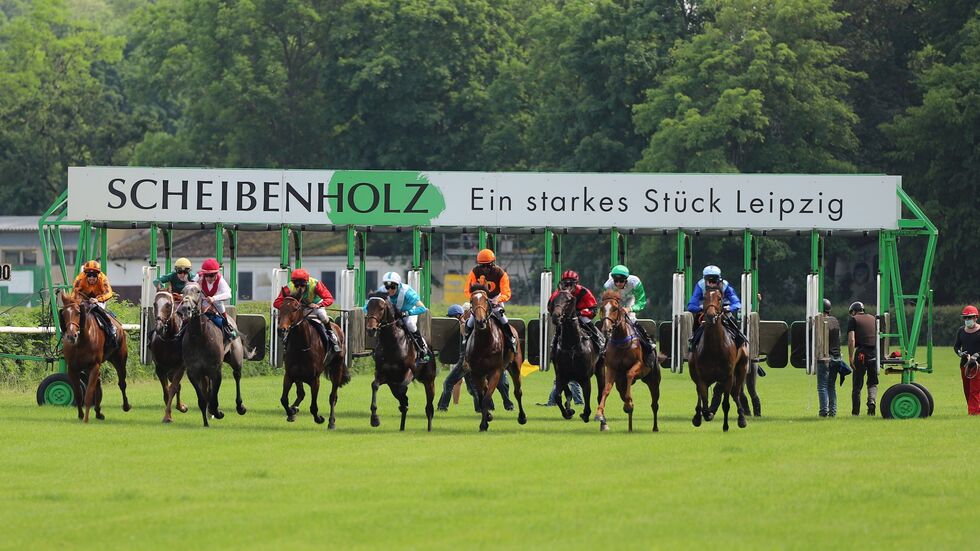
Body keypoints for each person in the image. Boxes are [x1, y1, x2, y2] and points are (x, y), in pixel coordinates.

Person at [437, 304, 514, 412]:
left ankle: (442, 408)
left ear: (459, 316)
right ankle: (483, 407)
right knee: (473, 388)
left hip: (466, 361)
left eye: (451, 317)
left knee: (449, 383)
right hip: (470, 361)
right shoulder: (467, 325)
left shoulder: (466, 326)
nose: (449, 320)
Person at [273, 268, 340, 352]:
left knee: (323, 316)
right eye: (297, 285)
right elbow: (276, 302)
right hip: (300, 308)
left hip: (315, 306)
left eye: (302, 285)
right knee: (293, 320)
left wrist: (319, 305)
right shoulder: (289, 287)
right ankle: (286, 342)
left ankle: (331, 335)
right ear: (293, 283)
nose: (300, 288)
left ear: (307, 282)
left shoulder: (315, 284)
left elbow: (329, 298)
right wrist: (289, 308)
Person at [369, 271, 430, 362]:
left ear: (398, 285)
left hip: (407, 313)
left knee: (410, 324)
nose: (389, 290)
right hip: (392, 316)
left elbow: (422, 308)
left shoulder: (408, 292)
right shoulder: (381, 291)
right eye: (387, 287)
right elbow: (371, 305)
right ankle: (378, 350)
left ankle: (422, 349)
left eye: (393, 287)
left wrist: (407, 313)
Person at [464, 248, 517, 353]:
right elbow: (468, 289)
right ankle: (465, 340)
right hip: (480, 301)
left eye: (487, 265)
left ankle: (511, 339)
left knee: (502, 318)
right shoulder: (474, 272)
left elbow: (506, 293)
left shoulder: (501, 274)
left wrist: (498, 300)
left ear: (493, 263)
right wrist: (475, 298)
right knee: (470, 321)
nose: (484, 269)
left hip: (495, 299)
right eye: (482, 266)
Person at [602, 264, 654, 358]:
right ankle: (603, 346)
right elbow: (607, 302)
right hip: (616, 301)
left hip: (630, 299)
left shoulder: (635, 282)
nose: (618, 284)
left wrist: (630, 309)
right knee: (608, 320)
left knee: (632, 319)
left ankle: (647, 342)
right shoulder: (608, 285)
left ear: (626, 279)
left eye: (621, 281)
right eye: (616, 281)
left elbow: (641, 302)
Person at [687, 265, 745, 349]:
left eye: (714, 279)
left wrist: (729, 308)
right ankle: (693, 341)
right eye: (708, 279)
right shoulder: (700, 285)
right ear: (704, 279)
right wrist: (701, 309)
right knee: (697, 318)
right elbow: (691, 305)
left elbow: (736, 303)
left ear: (719, 278)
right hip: (707, 308)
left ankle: (739, 341)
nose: (711, 282)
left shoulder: (725, 285)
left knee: (731, 319)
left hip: (723, 308)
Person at [70, 260, 118, 348]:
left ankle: (111, 327)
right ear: (85, 275)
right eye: (89, 275)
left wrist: (97, 300)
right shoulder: (79, 279)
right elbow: (74, 293)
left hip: (99, 298)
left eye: (94, 276)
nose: (91, 278)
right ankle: (68, 331)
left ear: (98, 275)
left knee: (96, 307)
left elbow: (109, 293)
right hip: (84, 298)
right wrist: (76, 302)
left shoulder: (103, 279)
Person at [816, 299, 849, 417]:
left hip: (825, 358)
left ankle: (823, 411)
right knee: (831, 387)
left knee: (822, 386)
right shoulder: (835, 320)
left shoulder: (820, 322)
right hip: (837, 358)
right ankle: (833, 412)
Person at [846, 301, 878, 416]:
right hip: (874, 353)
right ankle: (871, 401)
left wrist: (850, 356)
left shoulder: (853, 319)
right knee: (872, 382)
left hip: (861, 354)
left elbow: (852, 339)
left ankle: (855, 413)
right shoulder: (873, 318)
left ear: (853, 311)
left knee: (857, 385)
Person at [197, 258, 237, 341]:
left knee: (220, 308)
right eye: (206, 275)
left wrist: (214, 298)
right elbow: (190, 284)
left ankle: (227, 329)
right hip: (201, 304)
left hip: (216, 305)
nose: (208, 278)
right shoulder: (199, 276)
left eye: (211, 275)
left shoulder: (220, 280)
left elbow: (228, 294)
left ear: (216, 273)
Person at [954, 305, 980, 415]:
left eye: (970, 317)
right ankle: (974, 409)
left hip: (977, 365)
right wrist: (959, 353)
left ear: (976, 318)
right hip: (964, 365)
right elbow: (956, 346)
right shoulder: (961, 331)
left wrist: (977, 355)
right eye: (965, 318)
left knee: (974, 390)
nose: (967, 320)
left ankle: (973, 412)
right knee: (967, 389)